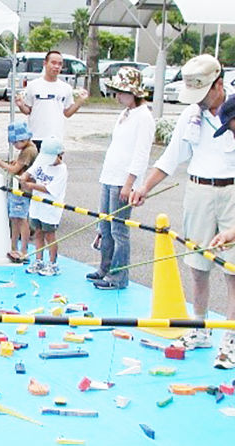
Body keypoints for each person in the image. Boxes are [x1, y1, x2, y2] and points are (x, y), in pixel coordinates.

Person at [130, 54, 235, 370]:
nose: (198, 101)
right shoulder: (192, 114)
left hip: (232, 191)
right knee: (197, 264)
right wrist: (144, 187)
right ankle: (199, 328)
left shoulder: (233, 112)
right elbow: (170, 157)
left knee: (233, 271)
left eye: (203, 93)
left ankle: (230, 339)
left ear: (218, 84)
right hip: (199, 189)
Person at [85, 67, 154, 290]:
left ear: (133, 93)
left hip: (123, 180)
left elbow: (141, 154)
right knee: (105, 227)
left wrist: (129, 183)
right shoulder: (125, 113)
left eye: (121, 92)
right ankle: (104, 268)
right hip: (110, 175)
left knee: (119, 231)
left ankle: (118, 276)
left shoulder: (144, 117)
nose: (117, 96)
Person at [0, 122, 37, 263]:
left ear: (23, 139)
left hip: (23, 190)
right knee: (15, 218)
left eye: (15, 143)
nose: (14, 145)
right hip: (17, 188)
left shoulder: (28, 151)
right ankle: (14, 247)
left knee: (21, 219)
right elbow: (20, 166)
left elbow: (14, 170)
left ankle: (23, 250)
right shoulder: (27, 149)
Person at [15, 50, 88, 149]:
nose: (56, 66)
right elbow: (28, 110)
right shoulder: (33, 85)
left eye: (60, 64)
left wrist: (80, 101)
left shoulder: (66, 88)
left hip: (55, 138)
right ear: (45, 63)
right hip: (35, 136)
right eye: (53, 63)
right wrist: (21, 105)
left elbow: (67, 113)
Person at [20, 137, 67, 276]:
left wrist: (31, 185)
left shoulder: (62, 170)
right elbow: (31, 171)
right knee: (38, 232)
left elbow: (50, 189)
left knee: (49, 235)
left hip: (50, 208)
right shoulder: (42, 161)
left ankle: (53, 263)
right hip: (37, 205)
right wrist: (24, 176)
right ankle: (39, 260)